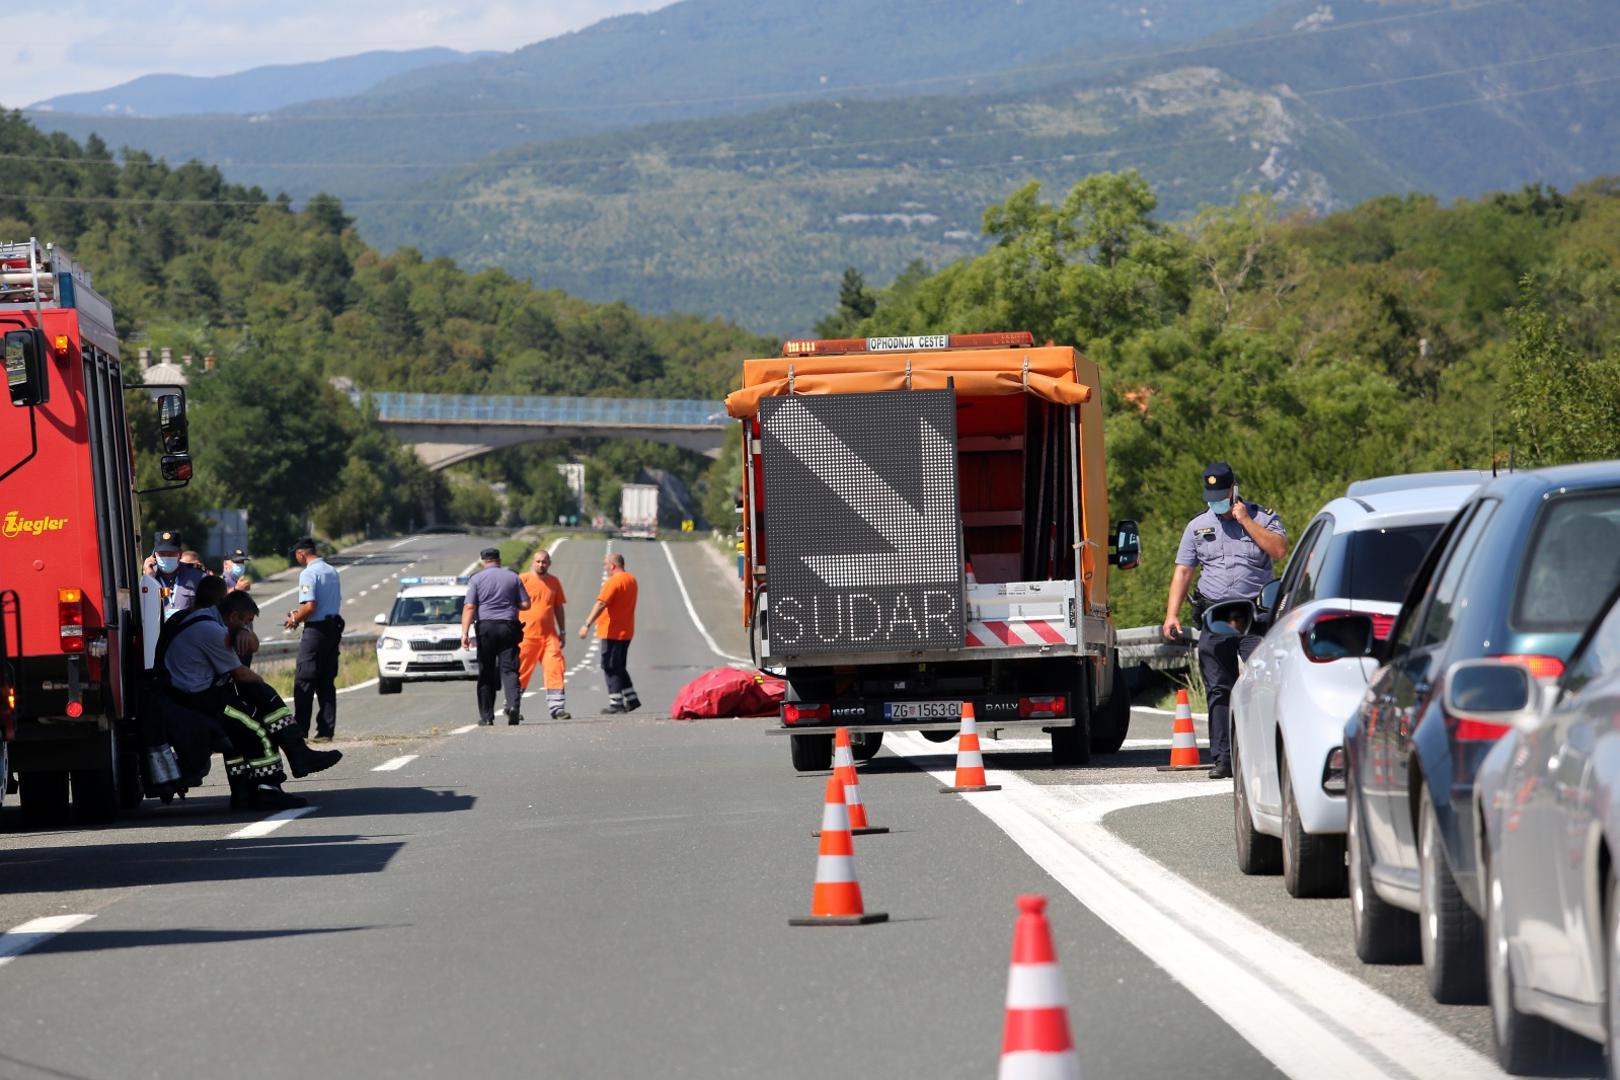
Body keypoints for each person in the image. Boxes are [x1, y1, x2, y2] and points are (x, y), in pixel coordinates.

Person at [1162, 462, 1287, 780]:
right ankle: (1224, 759)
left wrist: (1245, 520)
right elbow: (1184, 571)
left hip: (1254, 618)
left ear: (1234, 490)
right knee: (1219, 689)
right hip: (1215, 616)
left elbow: (1279, 550)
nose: (1215, 501)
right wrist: (1171, 614)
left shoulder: (1263, 517)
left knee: (1265, 685)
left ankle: (1268, 756)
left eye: (1221, 495)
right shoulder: (1197, 527)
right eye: (1211, 496)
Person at [161, 591, 342, 809]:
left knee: (239, 732)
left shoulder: (205, 618)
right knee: (256, 727)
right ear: (234, 616)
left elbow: (250, 645)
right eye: (247, 622)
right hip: (197, 699)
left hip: (187, 694)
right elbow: (241, 674)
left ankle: (243, 790)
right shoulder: (212, 631)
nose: (248, 626)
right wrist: (265, 686)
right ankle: (269, 787)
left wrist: (243, 630)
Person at [462, 547, 530, 726]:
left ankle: (487, 716)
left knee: (486, 671)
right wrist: (509, 603)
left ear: (483, 561)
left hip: (486, 628)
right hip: (508, 627)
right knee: (510, 670)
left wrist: (464, 633)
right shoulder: (513, 577)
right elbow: (526, 604)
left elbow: (469, 607)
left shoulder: (476, 579)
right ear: (499, 560)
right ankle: (514, 706)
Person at [285, 537, 343, 742]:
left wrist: (294, 619)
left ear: (301, 553)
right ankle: (326, 730)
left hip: (316, 630)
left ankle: (300, 729)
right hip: (333, 627)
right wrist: (300, 614)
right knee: (326, 680)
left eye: (296, 554)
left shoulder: (308, 573)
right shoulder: (331, 570)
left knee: (305, 678)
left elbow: (310, 606)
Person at [579, 552, 640, 714]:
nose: (605, 568)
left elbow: (601, 604)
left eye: (605, 565)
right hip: (626, 630)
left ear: (612, 566)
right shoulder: (631, 580)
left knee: (610, 666)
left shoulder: (613, 582)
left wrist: (587, 624)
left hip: (612, 631)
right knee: (619, 665)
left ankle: (616, 702)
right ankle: (631, 698)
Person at [518, 548, 571, 720]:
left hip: (549, 636)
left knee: (555, 668)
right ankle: (512, 705)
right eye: (538, 561)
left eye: (545, 561)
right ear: (533, 562)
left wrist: (562, 631)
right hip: (526, 635)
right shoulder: (522, 580)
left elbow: (558, 607)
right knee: (521, 671)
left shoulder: (554, 582)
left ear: (549, 563)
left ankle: (557, 707)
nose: (541, 564)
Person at [143, 529, 208, 620]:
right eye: (162, 554)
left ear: (180, 554)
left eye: (171, 554)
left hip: (187, 630)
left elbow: (208, 608)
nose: (166, 557)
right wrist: (149, 578)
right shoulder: (147, 576)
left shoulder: (197, 576)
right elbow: (142, 607)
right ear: (154, 555)